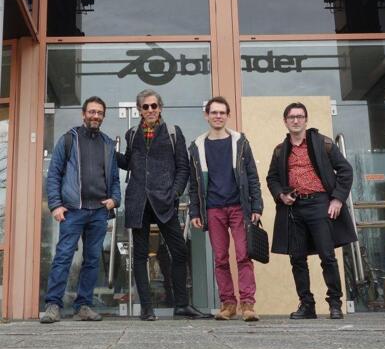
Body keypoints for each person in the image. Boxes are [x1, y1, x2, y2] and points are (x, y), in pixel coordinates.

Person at [117, 89, 212, 321]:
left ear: (160, 108)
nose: (150, 110)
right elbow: (128, 163)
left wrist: (176, 192)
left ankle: (181, 305)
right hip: (138, 200)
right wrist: (110, 153)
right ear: (139, 110)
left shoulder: (172, 132)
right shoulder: (131, 134)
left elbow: (183, 167)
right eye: (145, 107)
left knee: (179, 251)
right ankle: (147, 309)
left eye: (154, 106)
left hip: (165, 200)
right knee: (139, 255)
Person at [266, 102, 356, 320]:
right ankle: (307, 305)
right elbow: (272, 178)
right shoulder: (280, 150)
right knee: (297, 258)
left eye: (300, 116)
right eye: (291, 117)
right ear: (285, 121)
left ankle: (335, 303)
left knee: (327, 256)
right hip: (294, 208)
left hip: (320, 205)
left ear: (306, 120)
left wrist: (337, 199)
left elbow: (345, 170)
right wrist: (281, 195)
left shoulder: (322, 143)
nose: (296, 120)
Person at [41, 96, 121, 324]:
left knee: (92, 259)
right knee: (64, 256)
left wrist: (115, 199)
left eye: (100, 113)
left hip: (98, 211)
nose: (96, 116)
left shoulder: (107, 143)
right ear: (83, 114)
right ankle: (53, 305)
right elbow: (54, 174)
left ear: (103, 117)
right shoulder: (68, 140)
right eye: (92, 112)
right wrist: (56, 205)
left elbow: (115, 178)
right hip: (73, 211)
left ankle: (83, 306)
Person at [189, 96, 263, 322]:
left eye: (222, 112)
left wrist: (257, 205)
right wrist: (195, 212)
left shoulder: (240, 142)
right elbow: (194, 183)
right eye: (214, 112)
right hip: (213, 209)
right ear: (206, 115)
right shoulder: (197, 146)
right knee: (220, 259)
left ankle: (247, 305)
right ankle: (228, 304)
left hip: (240, 207)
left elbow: (252, 176)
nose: (218, 116)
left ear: (228, 116)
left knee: (244, 256)